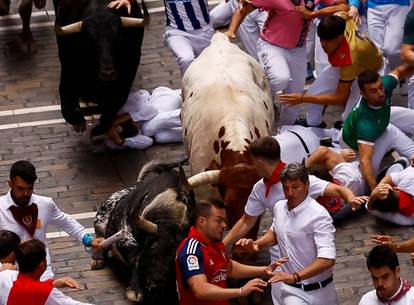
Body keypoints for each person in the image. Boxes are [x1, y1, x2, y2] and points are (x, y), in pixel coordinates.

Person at [223, 136, 367, 259]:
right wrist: (222, 245)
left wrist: (351, 198)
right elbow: (246, 221)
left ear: (259, 162)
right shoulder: (260, 188)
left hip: (305, 248)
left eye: (253, 162)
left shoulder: (299, 179)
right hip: (278, 252)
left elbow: (337, 188)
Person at [224, 0, 348, 125]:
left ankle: (284, 130)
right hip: (271, 46)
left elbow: (343, 6)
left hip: (298, 50)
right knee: (280, 78)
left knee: (294, 98)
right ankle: (257, 100)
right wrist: (231, 30)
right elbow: (244, 8)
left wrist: (313, 14)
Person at [237, 163, 337, 305]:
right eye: (286, 188)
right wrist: (257, 244)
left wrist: (296, 276)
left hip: (321, 292)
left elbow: (327, 259)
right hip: (288, 291)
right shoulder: (279, 207)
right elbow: (276, 233)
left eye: (295, 187)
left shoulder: (319, 216)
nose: (290, 193)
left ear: (307, 185)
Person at [0, 160, 104, 280]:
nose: (26, 193)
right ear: (10, 184)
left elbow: (65, 221)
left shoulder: (45, 204)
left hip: (41, 271)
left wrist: (87, 239)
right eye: (20, 188)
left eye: (30, 188)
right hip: (10, 273)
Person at [279, 13, 383, 127]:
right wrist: (313, 14)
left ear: (339, 38)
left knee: (350, 118)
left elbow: (340, 97)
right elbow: (342, 7)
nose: (323, 44)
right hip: (348, 63)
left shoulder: (350, 55)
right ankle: (313, 124)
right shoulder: (341, 20)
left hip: (368, 73)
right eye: (321, 39)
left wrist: (302, 98)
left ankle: (345, 129)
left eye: (327, 41)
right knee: (314, 94)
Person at [175, 198, 285, 305]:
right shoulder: (191, 251)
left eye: (224, 220)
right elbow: (201, 290)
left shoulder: (216, 244)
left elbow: (229, 268)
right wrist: (241, 291)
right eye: (218, 221)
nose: (224, 225)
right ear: (202, 221)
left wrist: (265, 270)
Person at [339, 67, 414, 191]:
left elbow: (400, 71)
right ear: (363, 94)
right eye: (373, 91)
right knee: (366, 182)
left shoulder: (386, 84)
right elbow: (365, 160)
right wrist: (375, 191)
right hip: (355, 143)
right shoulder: (365, 123)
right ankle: (395, 166)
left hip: (383, 122)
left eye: (380, 87)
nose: (381, 93)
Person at [0, 239, 94, 305]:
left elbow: (28, 290)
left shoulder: (6, 275)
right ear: (41, 265)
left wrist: (52, 284)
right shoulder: (46, 293)